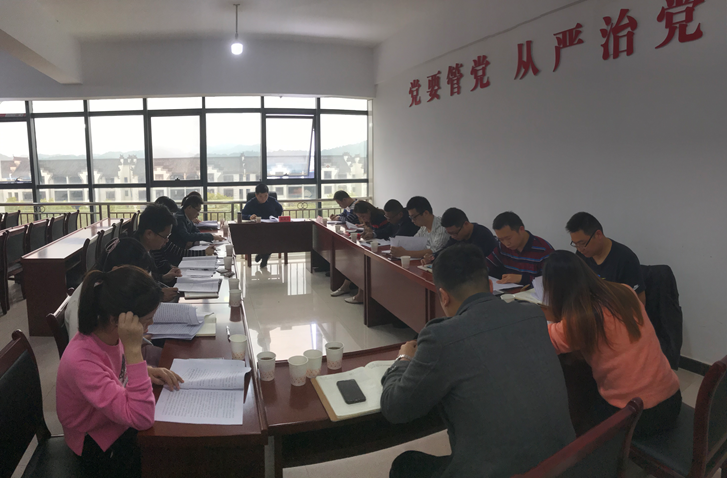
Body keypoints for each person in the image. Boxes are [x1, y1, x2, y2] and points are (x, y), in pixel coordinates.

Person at [380, 244, 575, 478]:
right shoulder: (532, 315)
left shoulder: (441, 336)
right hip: (563, 465)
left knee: (405, 465)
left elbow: (395, 408)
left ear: (443, 297)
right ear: (490, 287)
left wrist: (403, 359)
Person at [56, 266, 183, 478]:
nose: (150, 325)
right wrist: (134, 351)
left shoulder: (110, 336)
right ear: (118, 320)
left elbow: (115, 373)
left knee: (173, 443)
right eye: (146, 320)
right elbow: (141, 418)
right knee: (168, 457)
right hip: (95, 442)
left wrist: (147, 371)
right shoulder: (81, 360)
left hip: (113, 421)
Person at [543, 250, 681, 437]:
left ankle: (597, 449)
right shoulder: (625, 291)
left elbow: (546, 340)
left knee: (580, 406)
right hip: (671, 398)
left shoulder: (582, 320)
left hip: (639, 414)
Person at [66, 238, 171, 366]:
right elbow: (88, 357)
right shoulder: (83, 303)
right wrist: (133, 346)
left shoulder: (111, 292)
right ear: (117, 270)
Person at [566, 212, 646, 304]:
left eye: (582, 243)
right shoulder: (581, 255)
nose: (580, 249)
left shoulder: (626, 259)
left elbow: (639, 298)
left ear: (598, 235)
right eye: (575, 244)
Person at [332, 201, 392, 304]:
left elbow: (387, 232)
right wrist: (367, 231)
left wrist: (373, 234)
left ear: (368, 211)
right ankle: (347, 286)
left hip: (386, 248)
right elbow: (373, 230)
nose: (363, 219)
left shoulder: (381, 216)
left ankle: (359, 294)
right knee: (356, 259)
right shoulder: (371, 217)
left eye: (363, 216)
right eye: (360, 217)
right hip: (377, 246)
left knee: (363, 263)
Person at [486, 211, 554, 285]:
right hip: (510, 290)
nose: (506, 244)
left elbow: (550, 281)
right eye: (501, 239)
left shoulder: (544, 250)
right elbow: (487, 264)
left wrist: (522, 279)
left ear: (521, 230)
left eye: (508, 238)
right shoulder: (502, 247)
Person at [151, 196, 215, 267]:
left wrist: (203, 252)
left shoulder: (162, 238)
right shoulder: (179, 218)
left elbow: (179, 251)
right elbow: (157, 266)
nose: (173, 219)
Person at [422, 208, 497, 264]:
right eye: (449, 234)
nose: (452, 237)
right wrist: (433, 257)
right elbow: (446, 250)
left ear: (466, 224)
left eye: (454, 233)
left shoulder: (482, 235)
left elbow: (470, 261)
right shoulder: (456, 235)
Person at [240, 183, 284, 268]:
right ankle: (264, 255)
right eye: (260, 196)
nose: (263, 198)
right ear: (256, 195)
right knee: (263, 238)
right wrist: (250, 217)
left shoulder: (272, 200)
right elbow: (243, 214)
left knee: (275, 237)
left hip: (271, 228)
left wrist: (275, 217)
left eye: (265, 196)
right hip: (256, 229)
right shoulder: (251, 203)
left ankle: (262, 255)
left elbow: (280, 209)